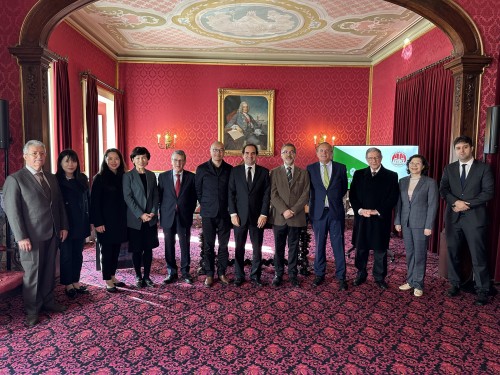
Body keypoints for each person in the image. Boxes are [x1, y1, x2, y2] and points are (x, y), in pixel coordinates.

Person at [3, 140, 69, 327]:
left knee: (48, 271)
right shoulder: (15, 179)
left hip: (52, 233)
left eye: (42, 153)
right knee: (32, 274)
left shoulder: (51, 177)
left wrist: (63, 226)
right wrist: (21, 236)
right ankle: (32, 310)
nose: (39, 157)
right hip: (30, 238)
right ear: (25, 156)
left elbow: (58, 204)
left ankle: (48, 301)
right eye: (34, 153)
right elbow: (12, 211)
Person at [440, 135, 494, 306]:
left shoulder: (484, 168)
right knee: (454, 253)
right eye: (458, 148)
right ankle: (455, 284)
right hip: (453, 217)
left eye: (465, 147)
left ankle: (482, 290)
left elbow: (488, 192)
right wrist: (455, 202)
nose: (461, 151)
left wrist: (466, 204)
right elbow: (443, 189)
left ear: (471, 148)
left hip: (475, 219)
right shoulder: (449, 168)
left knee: (478, 256)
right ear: (455, 150)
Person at [349, 147, 399, 290]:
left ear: (381, 158)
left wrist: (377, 211)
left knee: (380, 249)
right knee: (361, 248)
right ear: (367, 159)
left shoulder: (391, 175)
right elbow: (353, 196)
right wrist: (360, 210)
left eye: (376, 157)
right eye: (370, 158)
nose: (374, 160)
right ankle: (361, 273)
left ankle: (379, 277)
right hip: (362, 217)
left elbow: (393, 197)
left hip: (380, 218)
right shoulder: (359, 174)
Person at [394, 154, 438, 297]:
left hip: (421, 224)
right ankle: (411, 280)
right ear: (408, 165)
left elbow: (432, 205)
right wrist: (397, 221)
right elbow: (399, 204)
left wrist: (429, 225)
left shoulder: (430, 182)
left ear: (423, 166)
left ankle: (419, 284)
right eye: (412, 163)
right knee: (410, 254)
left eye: (418, 163)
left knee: (419, 254)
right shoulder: (402, 181)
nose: (414, 165)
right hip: (406, 223)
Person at [307, 142, 348, 290]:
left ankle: (341, 276)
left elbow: (343, 188)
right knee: (319, 244)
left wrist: (333, 199)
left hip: (335, 212)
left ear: (331, 153)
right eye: (321, 151)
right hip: (318, 212)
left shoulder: (340, 168)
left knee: (338, 244)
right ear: (317, 153)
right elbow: (309, 190)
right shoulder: (310, 169)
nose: (324, 153)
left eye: (327, 151)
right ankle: (319, 274)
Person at [228, 143, 271, 287]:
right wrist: (233, 213)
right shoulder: (235, 171)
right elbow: (231, 194)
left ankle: (255, 275)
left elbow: (266, 195)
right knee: (239, 247)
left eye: (253, 153)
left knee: (257, 248)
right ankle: (239, 276)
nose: (250, 156)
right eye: (247, 153)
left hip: (257, 217)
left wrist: (264, 214)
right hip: (239, 217)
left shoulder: (264, 172)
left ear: (256, 155)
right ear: (242, 155)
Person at [269, 143, 310, 287]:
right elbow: (273, 194)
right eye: (285, 152)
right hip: (280, 217)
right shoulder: (274, 172)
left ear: (295, 155)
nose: (288, 154)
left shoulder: (303, 173)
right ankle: (278, 274)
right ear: (281, 155)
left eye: (292, 152)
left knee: (294, 248)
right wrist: (284, 210)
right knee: (278, 247)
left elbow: (305, 194)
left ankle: (292, 274)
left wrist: (293, 210)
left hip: (296, 217)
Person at [195, 141, 233, 287]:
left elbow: (232, 191)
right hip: (208, 213)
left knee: (223, 245)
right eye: (215, 150)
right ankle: (210, 273)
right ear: (210, 151)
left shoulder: (230, 169)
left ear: (224, 152)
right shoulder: (202, 169)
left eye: (221, 150)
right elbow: (198, 190)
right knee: (208, 245)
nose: (218, 153)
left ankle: (222, 272)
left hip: (225, 213)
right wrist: (205, 204)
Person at [90, 148, 128, 293]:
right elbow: (94, 203)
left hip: (120, 221)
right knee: (106, 251)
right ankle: (107, 279)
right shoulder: (99, 178)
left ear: (120, 160)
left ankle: (113, 275)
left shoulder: (124, 176)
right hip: (104, 223)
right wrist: (98, 223)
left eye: (116, 158)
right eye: (110, 158)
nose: (113, 161)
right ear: (105, 160)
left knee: (116, 250)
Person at [158, 150, 197, 285]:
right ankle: (171, 272)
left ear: (185, 161)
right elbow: (160, 197)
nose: (178, 163)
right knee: (169, 245)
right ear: (171, 161)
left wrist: (189, 211)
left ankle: (185, 272)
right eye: (175, 160)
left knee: (184, 245)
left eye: (181, 160)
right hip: (168, 216)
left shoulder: (192, 177)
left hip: (184, 217)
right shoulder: (162, 177)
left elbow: (194, 197)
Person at [56, 149, 91, 298]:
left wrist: (90, 222)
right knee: (66, 255)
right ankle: (67, 284)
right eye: (67, 161)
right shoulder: (56, 180)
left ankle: (76, 281)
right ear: (61, 163)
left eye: (73, 161)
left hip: (81, 222)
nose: (71, 164)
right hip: (65, 224)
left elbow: (87, 201)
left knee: (78, 254)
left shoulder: (82, 178)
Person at [123, 147, 159, 288]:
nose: (141, 160)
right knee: (137, 249)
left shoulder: (151, 175)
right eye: (137, 158)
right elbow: (128, 197)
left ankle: (147, 277)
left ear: (147, 159)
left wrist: (153, 212)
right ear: (132, 160)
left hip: (150, 219)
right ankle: (138, 276)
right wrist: (140, 214)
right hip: (135, 220)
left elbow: (156, 195)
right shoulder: (128, 176)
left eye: (144, 157)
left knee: (148, 249)